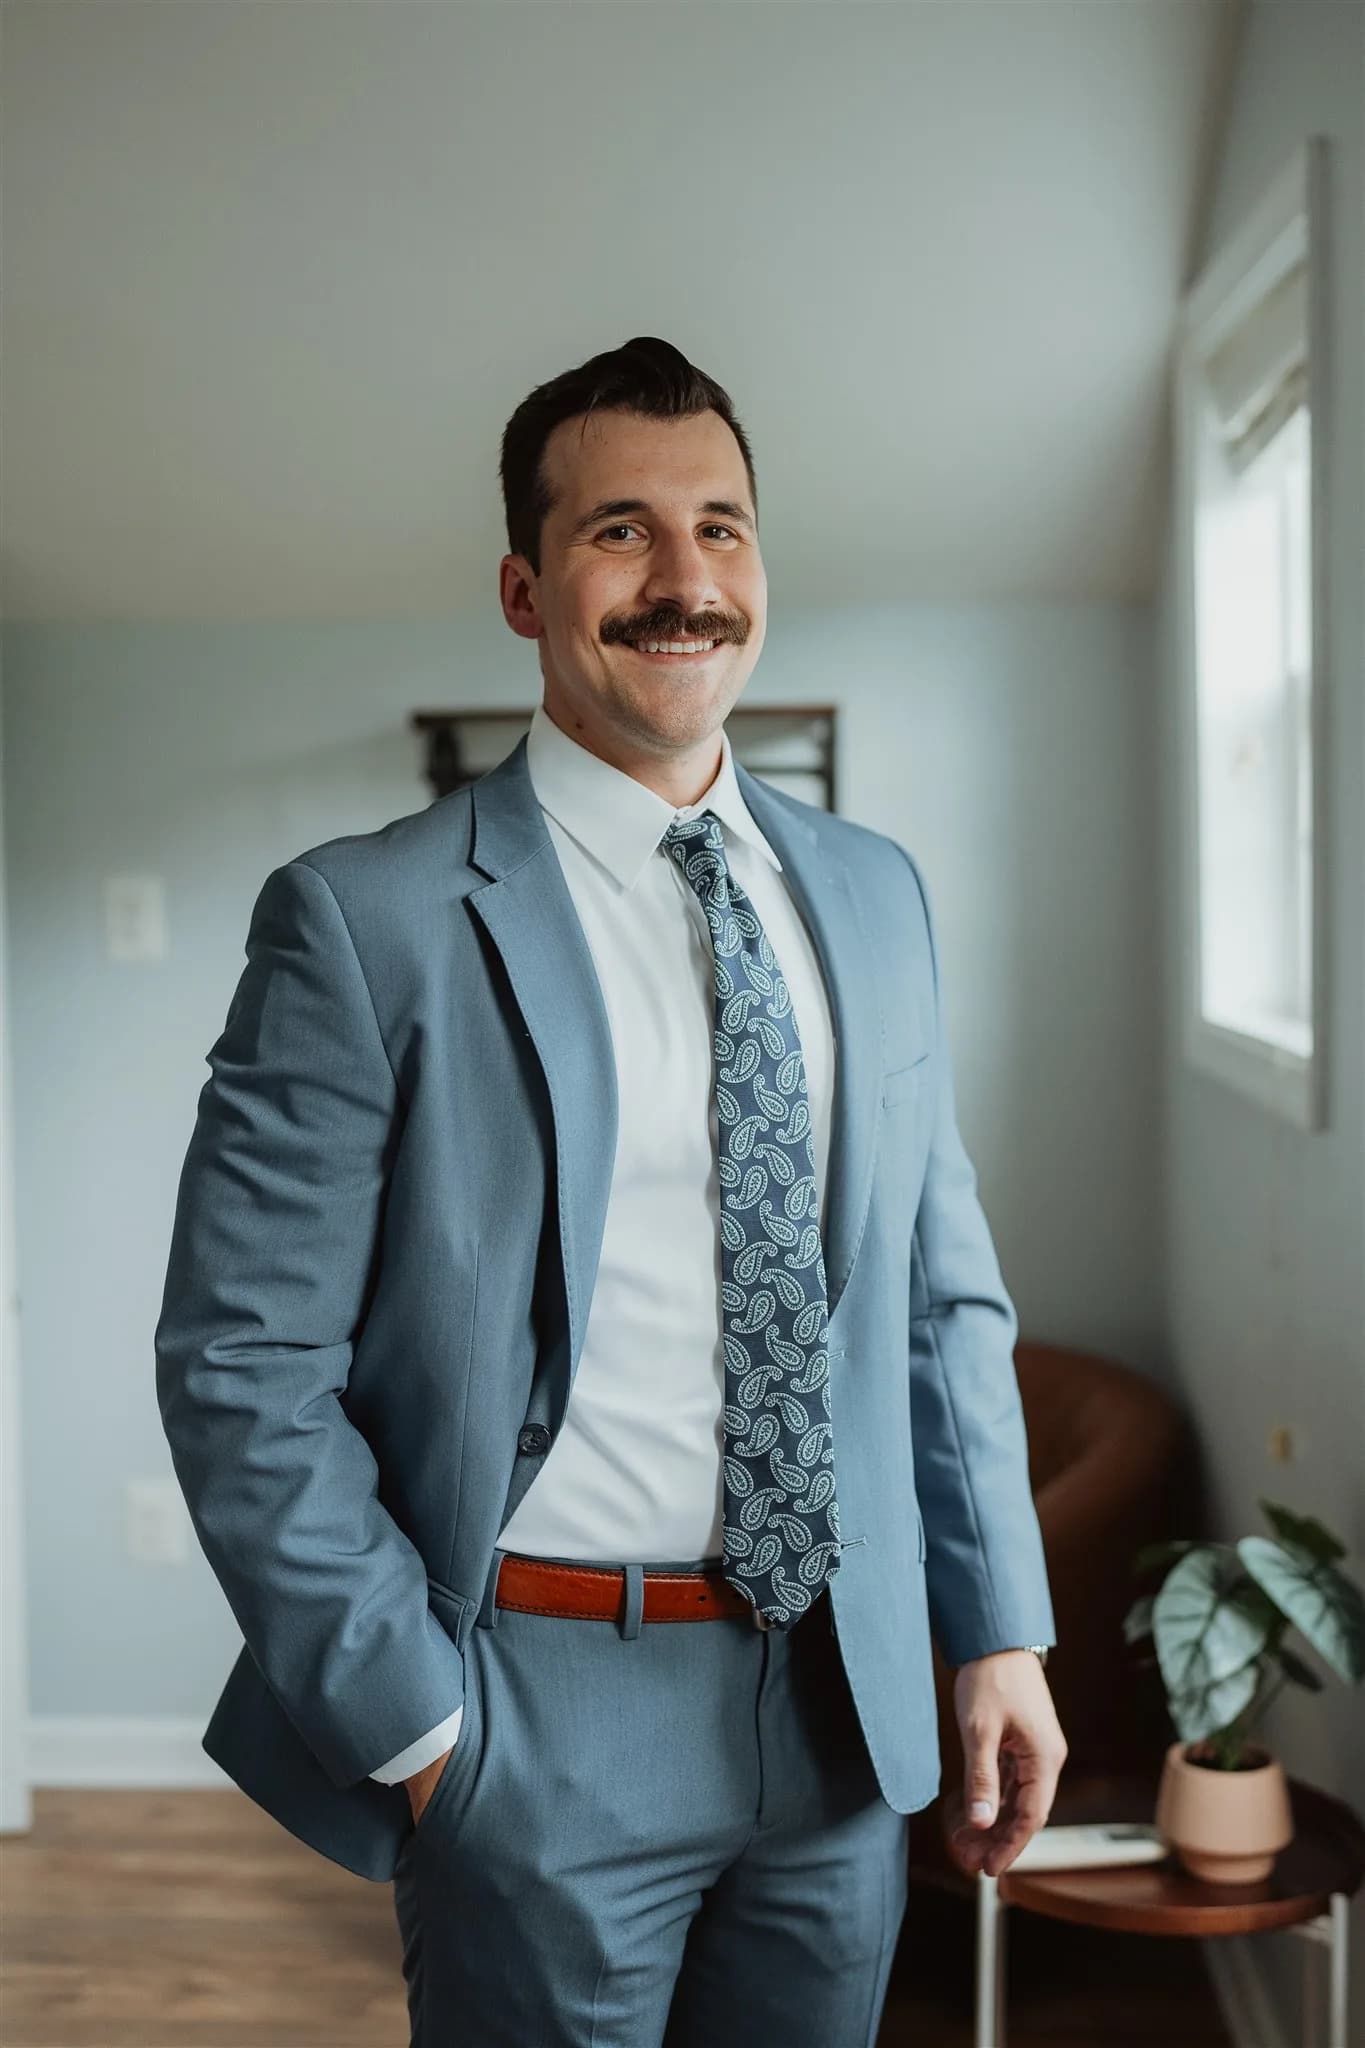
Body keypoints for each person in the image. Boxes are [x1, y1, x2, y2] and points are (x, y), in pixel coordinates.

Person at [155, 334, 1065, 2048]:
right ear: (525, 586)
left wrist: (994, 1627)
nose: (682, 582)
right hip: (531, 1707)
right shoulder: (368, 922)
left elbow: (936, 1299)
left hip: (836, 1700)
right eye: (621, 533)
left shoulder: (874, 895)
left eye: (719, 530)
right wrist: (427, 1734)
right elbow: (239, 1364)